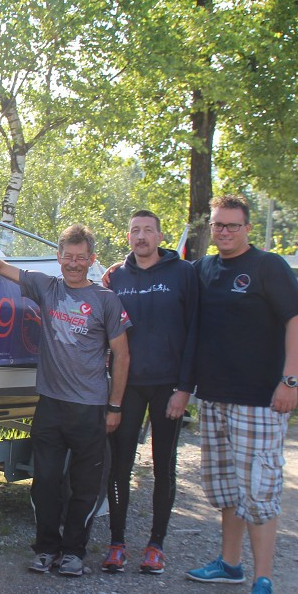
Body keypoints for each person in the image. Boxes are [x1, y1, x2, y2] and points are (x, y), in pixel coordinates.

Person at [0, 224, 130, 577]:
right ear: (58, 258)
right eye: (68, 257)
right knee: (45, 482)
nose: (74, 264)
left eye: (80, 258)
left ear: (90, 260)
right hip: (51, 404)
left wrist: (115, 406)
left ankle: (74, 552)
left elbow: (123, 356)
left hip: (90, 408)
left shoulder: (106, 300)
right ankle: (46, 549)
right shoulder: (47, 287)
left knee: (85, 486)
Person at [185, 194, 298, 594]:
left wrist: (290, 379)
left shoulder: (268, 266)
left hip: (260, 399)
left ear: (247, 228)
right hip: (214, 397)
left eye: (233, 226)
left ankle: (263, 581)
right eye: (219, 225)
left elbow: (297, 320)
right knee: (225, 488)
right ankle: (230, 564)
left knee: (259, 492)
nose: (224, 232)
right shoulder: (204, 269)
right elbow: (168, 277)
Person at [101, 211, 198, 575]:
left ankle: (156, 544)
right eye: (135, 231)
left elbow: (195, 332)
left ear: (160, 236)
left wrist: (185, 389)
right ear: (128, 237)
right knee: (119, 465)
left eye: (148, 230)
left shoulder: (183, 273)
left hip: (168, 387)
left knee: (163, 467)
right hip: (127, 385)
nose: (141, 237)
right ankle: (116, 543)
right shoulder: (117, 277)